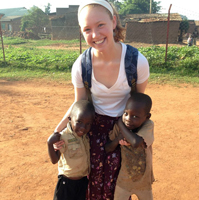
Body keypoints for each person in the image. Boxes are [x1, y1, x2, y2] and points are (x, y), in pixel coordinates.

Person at [53, 0, 150, 199]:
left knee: (121, 186)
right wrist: (58, 131)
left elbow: (139, 103)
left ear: (113, 22)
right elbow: (79, 104)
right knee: (93, 185)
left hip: (123, 132)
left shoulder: (136, 62)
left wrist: (139, 141)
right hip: (92, 133)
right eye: (87, 29)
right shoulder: (81, 65)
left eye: (100, 25)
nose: (95, 35)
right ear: (81, 31)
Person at [105, 93, 154, 200]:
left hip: (144, 181)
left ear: (147, 117)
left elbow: (136, 142)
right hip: (124, 180)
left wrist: (120, 123)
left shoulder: (148, 125)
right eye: (125, 113)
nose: (128, 119)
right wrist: (118, 139)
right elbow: (108, 148)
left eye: (135, 116)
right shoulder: (120, 126)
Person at [47, 100, 95, 200]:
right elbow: (54, 160)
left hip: (82, 182)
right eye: (79, 122)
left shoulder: (86, 136)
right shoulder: (64, 136)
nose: (83, 127)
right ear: (70, 119)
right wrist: (49, 144)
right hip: (66, 183)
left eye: (88, 124)